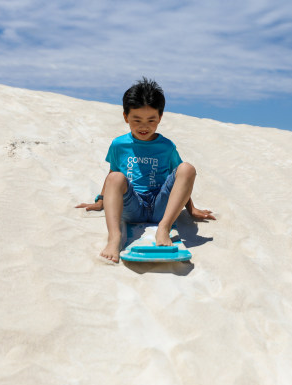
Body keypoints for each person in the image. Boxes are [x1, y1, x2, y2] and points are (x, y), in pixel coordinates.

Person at [76, 77, 215, 263]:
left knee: (187, 168)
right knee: (117, 176)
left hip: (160, 207)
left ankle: (163, 229)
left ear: (160, 117)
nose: (144, 126)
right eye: (137, 119)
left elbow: (182, 181)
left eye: (151, 120)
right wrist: (100, 200)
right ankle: (114, 238)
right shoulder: (119, 145)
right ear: (126, 117)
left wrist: (191, 208)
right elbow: (112, 175)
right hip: (132, 207)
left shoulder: (167, 146)